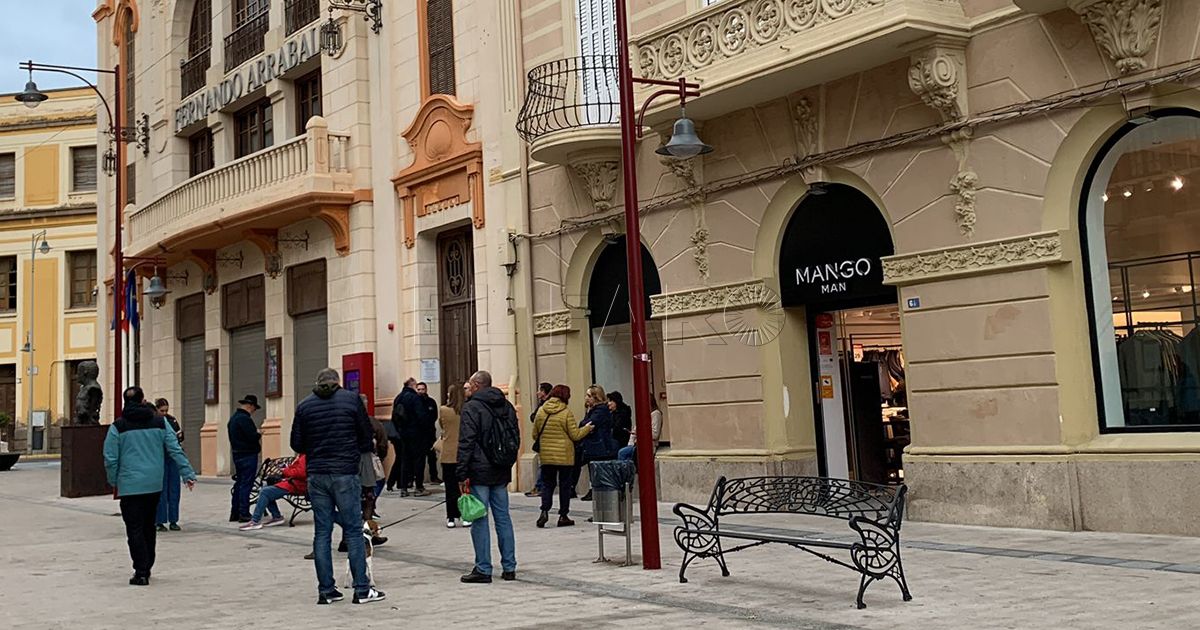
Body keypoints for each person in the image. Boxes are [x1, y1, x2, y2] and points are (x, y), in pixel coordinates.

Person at [291, 368, 385, 605]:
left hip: (317, 474)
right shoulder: (351, 400)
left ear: (318, 382)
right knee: (353, 530)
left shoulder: (304, 406)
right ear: (338, 382)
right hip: (344, 472)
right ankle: (362, 590)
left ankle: (326, 591)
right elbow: (366, 437)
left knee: (322, 532)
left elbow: (297, 443)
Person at [103, 386, 197, 586]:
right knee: (148, 525)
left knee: (134, 528)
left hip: (129, 485)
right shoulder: (160, 422)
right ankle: (148, 564)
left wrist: (114, 480)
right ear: (143, 401)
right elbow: (175, 448)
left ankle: (141, 570)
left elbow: (110, 458)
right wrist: (187, 473)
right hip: (154, 483)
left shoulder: (118, 427)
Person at [457, 370, 519, 584]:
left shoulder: (472, 407)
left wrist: (461, 472)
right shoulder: (506, 405)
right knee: (503, 518)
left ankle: (483, 568)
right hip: (500, 469)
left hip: (479, 470)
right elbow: (515, 437)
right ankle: (509, 567)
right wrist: (506, 461)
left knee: (479, 518)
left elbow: (467, 441)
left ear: (476, 385)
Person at [533, 385, 593, 528]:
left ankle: (544, 512)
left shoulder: (541, 411)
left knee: (547, 485)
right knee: (565, 486)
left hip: (546, 456)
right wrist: (587, 429)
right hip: (564, 456)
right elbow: (575, 435)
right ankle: (563, 516)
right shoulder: (566, 412)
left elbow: (535, 434)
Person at [574, 385, 617, 502]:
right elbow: (584, 424)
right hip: (593, 445)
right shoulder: (592, 410)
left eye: (589, 396)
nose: (586, 398)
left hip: (600, 446)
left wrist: (586, 425)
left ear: (596, 397)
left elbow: (589, 423)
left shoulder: (601, 410)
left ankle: (598, 497)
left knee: (598, 474)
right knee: (592, 471)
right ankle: (593, 491)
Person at [240, 455, 306, 530]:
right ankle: (276, 516)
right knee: (265, 488)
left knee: (265, 492)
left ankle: (255, 521)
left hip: (296, 485)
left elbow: (301, 473)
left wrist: (285, 471)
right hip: (292, 482)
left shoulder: (305, 456)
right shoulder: (302, 455)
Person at [389, 378, 429, 497]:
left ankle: (404, 487)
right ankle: (419, 487)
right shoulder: (414, 398)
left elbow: (394, 416)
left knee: (405, 460)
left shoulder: (398, 398)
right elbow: (421, 416)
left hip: (402, 434)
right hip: (416, 434)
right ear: (412, 385)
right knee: (418, 460)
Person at [228, 394, 262, 523]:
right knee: (246, 484)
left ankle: (235, 512)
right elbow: (251, 436)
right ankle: (244, 513)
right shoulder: (244, 419)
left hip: (237, 454)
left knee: (239, 483)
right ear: (250, 406)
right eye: (254, 408)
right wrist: (258, 433)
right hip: (248, 455)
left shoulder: (233, 419)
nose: (254, 411)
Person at [153, 398, 185, 532]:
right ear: (156, 409)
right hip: (160, 458)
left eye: (166, 410)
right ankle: (159, 521)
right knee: (161, 491)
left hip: (172, 459)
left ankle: (173, 520)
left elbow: (180, 437)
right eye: (162, 411)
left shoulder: (172, 421)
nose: (165, 413)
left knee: (174, 490)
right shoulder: (154, 422)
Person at [439, 384, 465, 528]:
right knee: (464, 487)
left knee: (450, 487)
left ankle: (451, 517)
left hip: (448, 453)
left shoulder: (444, 410)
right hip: (464, 453)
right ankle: (465, 514)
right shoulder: (466, 410)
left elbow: (442, 426)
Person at [524, 382, 553, 498]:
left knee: (544, 465)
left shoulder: (546, 405)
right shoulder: (542, 404)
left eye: (540, 390)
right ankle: (541, 486)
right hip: (544, 438)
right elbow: (533, 417)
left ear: (544, 392)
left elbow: (535, 417)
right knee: (544, 464)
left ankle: (541, 486)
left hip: (547, 439)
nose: (537, 393)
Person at [619, 397, 663, 462]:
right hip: (636, 444)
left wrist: (640, 432)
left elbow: (655, 434)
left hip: (648, 445)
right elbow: (634, 431)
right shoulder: (643, 414)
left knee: (622, 453)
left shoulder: (655, 414)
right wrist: (630, 444)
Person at [416, 382, 442, 485]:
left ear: (426, 390)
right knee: (420, 458)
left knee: (432, 456)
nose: (421, 391)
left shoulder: (431, 402)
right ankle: (419, 479)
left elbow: (434, 416)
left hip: (430, 433)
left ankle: (434, 476)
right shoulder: (416, 402)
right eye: (419, 389)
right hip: (419, 434)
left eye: (422, 389)